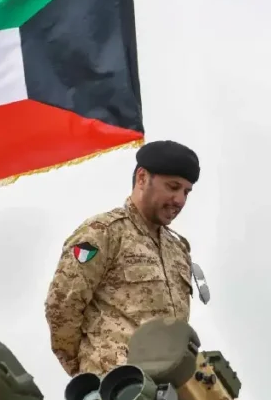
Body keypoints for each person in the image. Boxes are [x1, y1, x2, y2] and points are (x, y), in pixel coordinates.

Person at [44, 139, 200, 379]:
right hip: (115, 388)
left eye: (186, 192)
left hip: (164, 393)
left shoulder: (178, 250)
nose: (180, 200)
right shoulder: (104, 232)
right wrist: (90, 370)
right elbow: (62, 306)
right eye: (173, 187)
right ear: (142, 178)